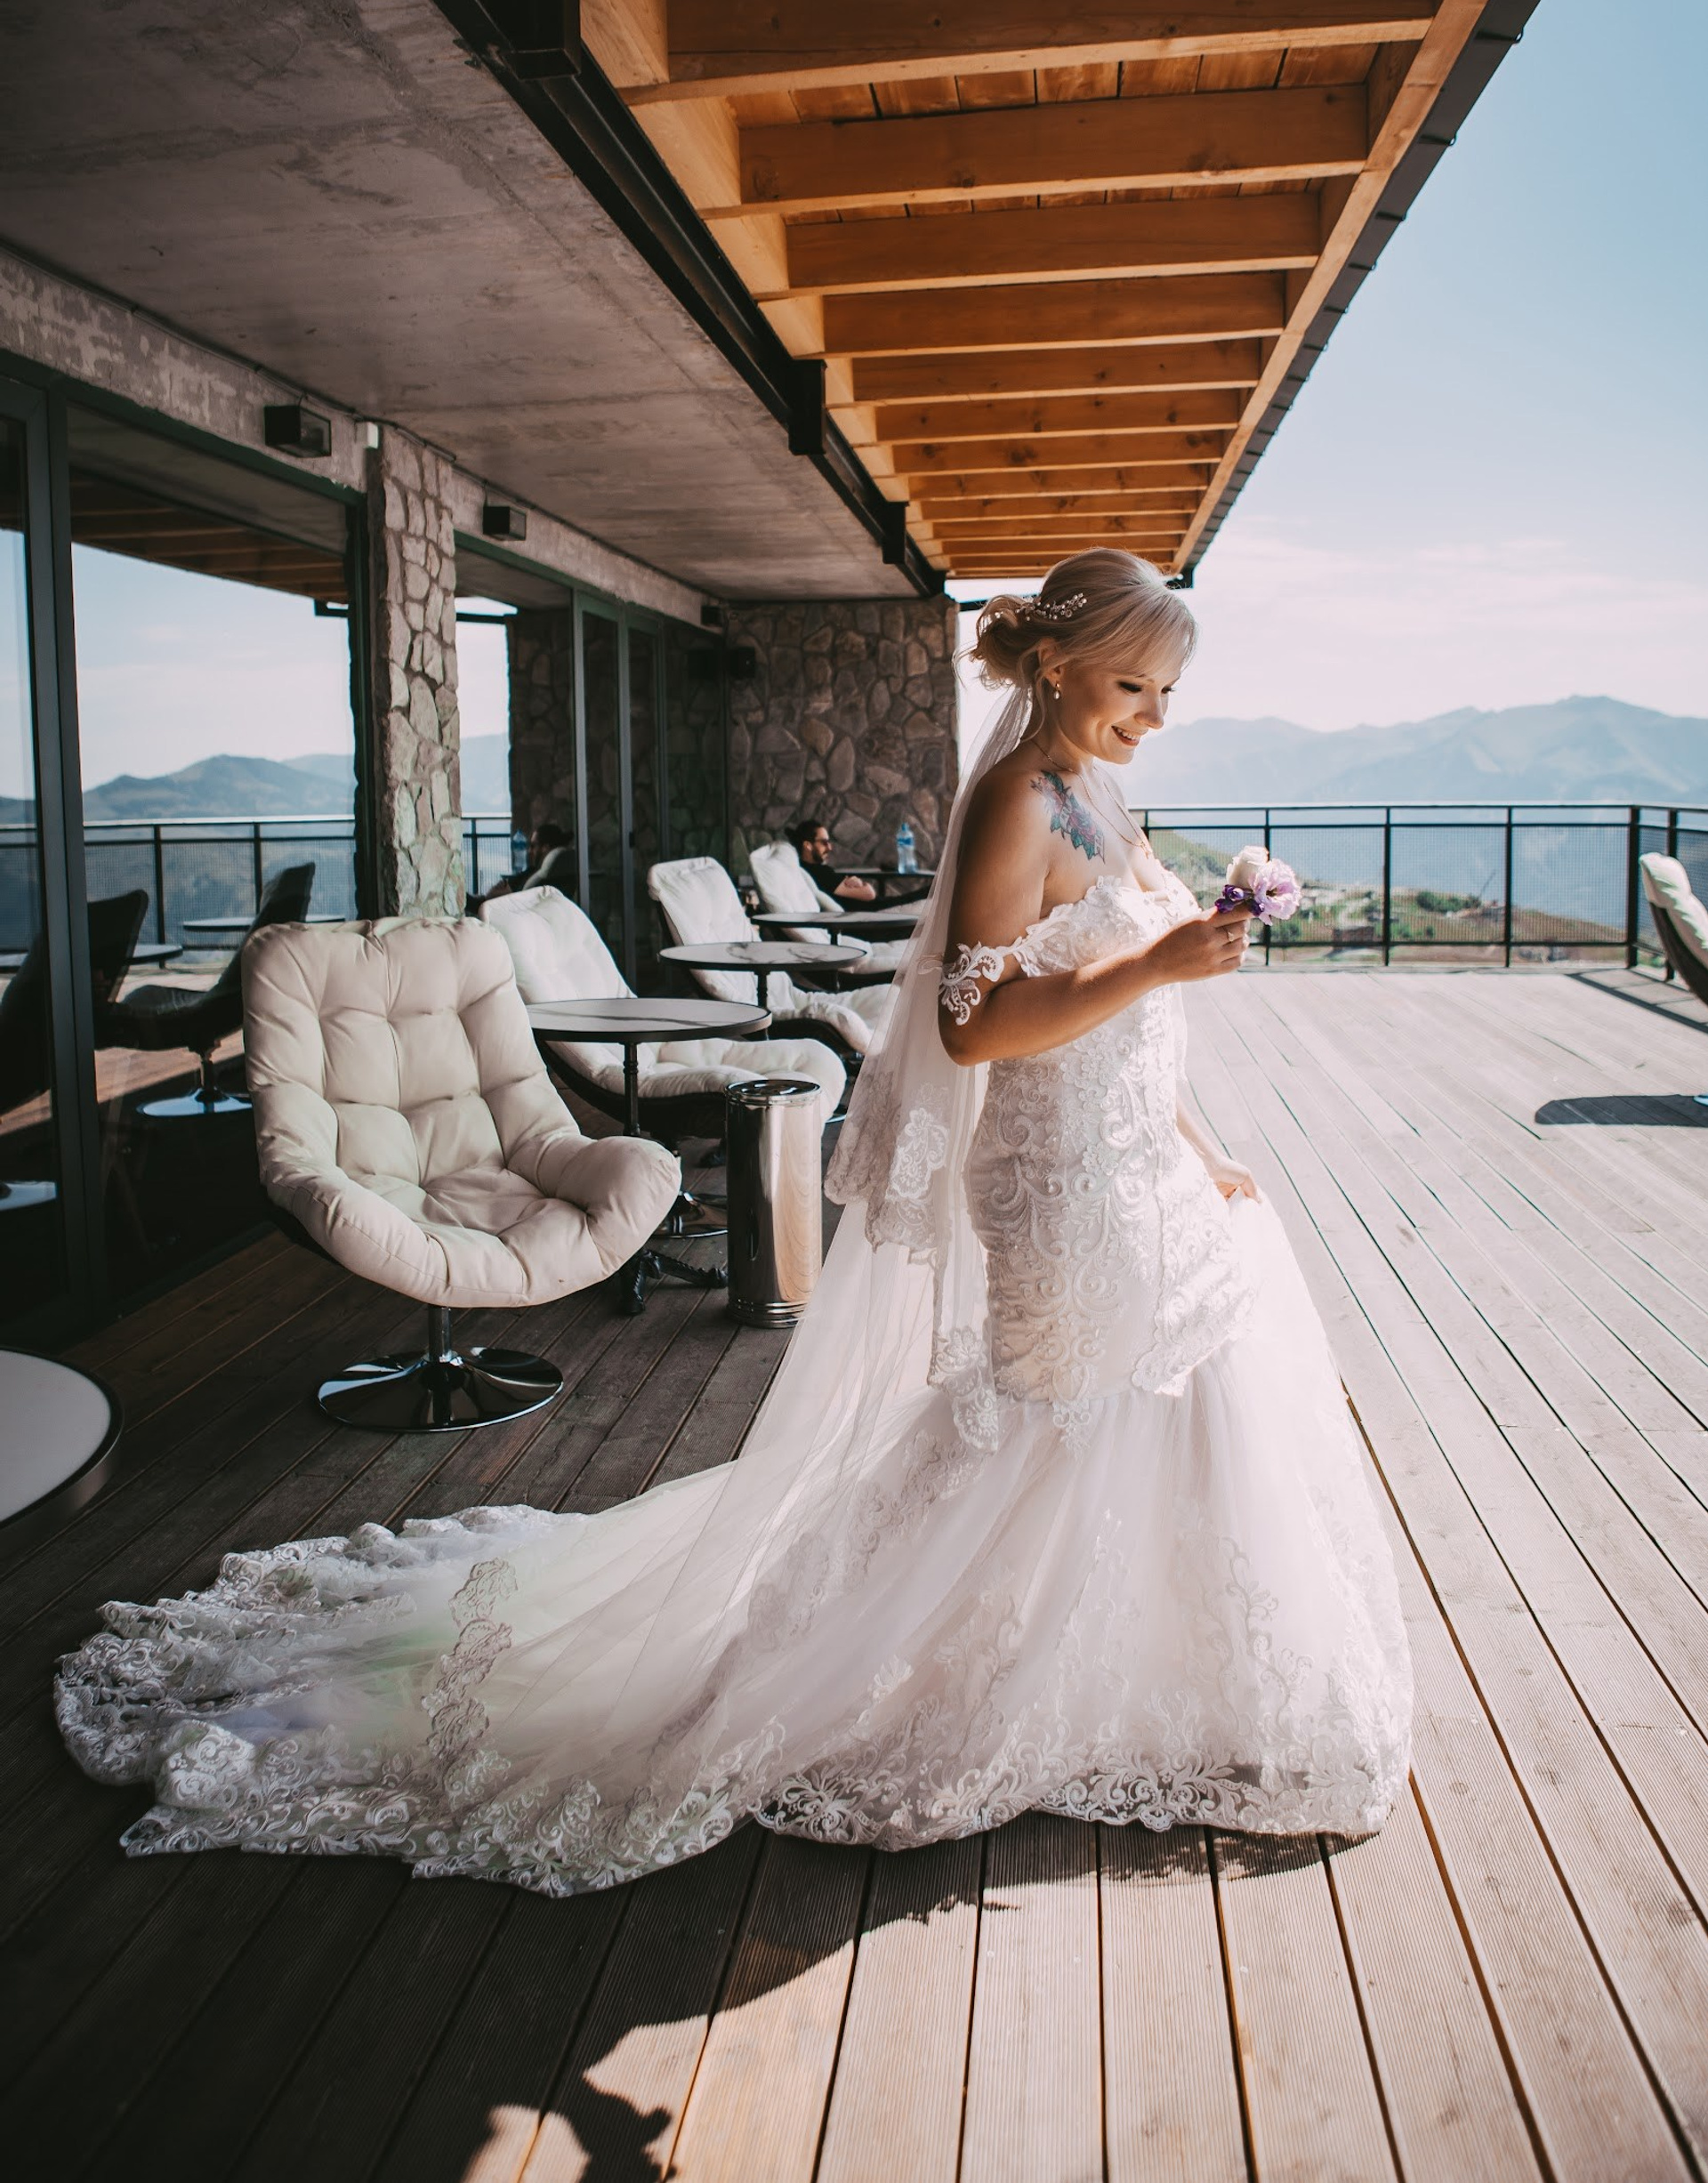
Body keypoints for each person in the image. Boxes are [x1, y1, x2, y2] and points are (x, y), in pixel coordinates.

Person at [57, 549, 1411, 1890]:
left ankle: (1142, 1660)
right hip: (1058, 1187)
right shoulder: (1013, 800)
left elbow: (1135, 1031)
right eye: (1134, 687)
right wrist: (1161, 958)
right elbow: (974, 1025)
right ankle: (962, 1668)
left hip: (1136, 1164)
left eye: (1168, 692)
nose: (1155, 716)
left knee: (1151, 1398)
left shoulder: (1100, 796)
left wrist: (1200, 1143)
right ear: (1055, 667)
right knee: (1051, 1419)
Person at [790, 818, 876, 906]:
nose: (829, 848)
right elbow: (869, 894)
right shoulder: (821, 873)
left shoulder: (805, 868)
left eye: (829, 842)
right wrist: (862, 883)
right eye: (824, 842)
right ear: (808, 845)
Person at [483, 818, 571, 901]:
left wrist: (509, 894)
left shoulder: (548, 881)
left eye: (533, 846)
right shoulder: (533, 871)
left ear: (545, 848)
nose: (529, 851)